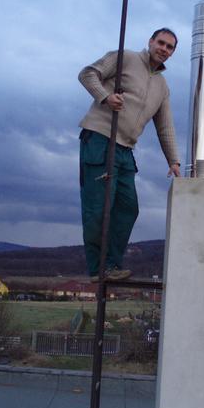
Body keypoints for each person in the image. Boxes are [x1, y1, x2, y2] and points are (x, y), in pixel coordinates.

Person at [78, 28, 181, 282]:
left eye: (169, 47)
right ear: (151, 42)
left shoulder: (162, 86)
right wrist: (105, 97)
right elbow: (87, 74)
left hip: (126, 150)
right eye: (161, 43)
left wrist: (174, 161)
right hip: (100, 139)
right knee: (99, 207)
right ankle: (98, 269)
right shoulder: (125, 57)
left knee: (127, 208)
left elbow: (165, 126)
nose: (164, 49)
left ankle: (112, 264)